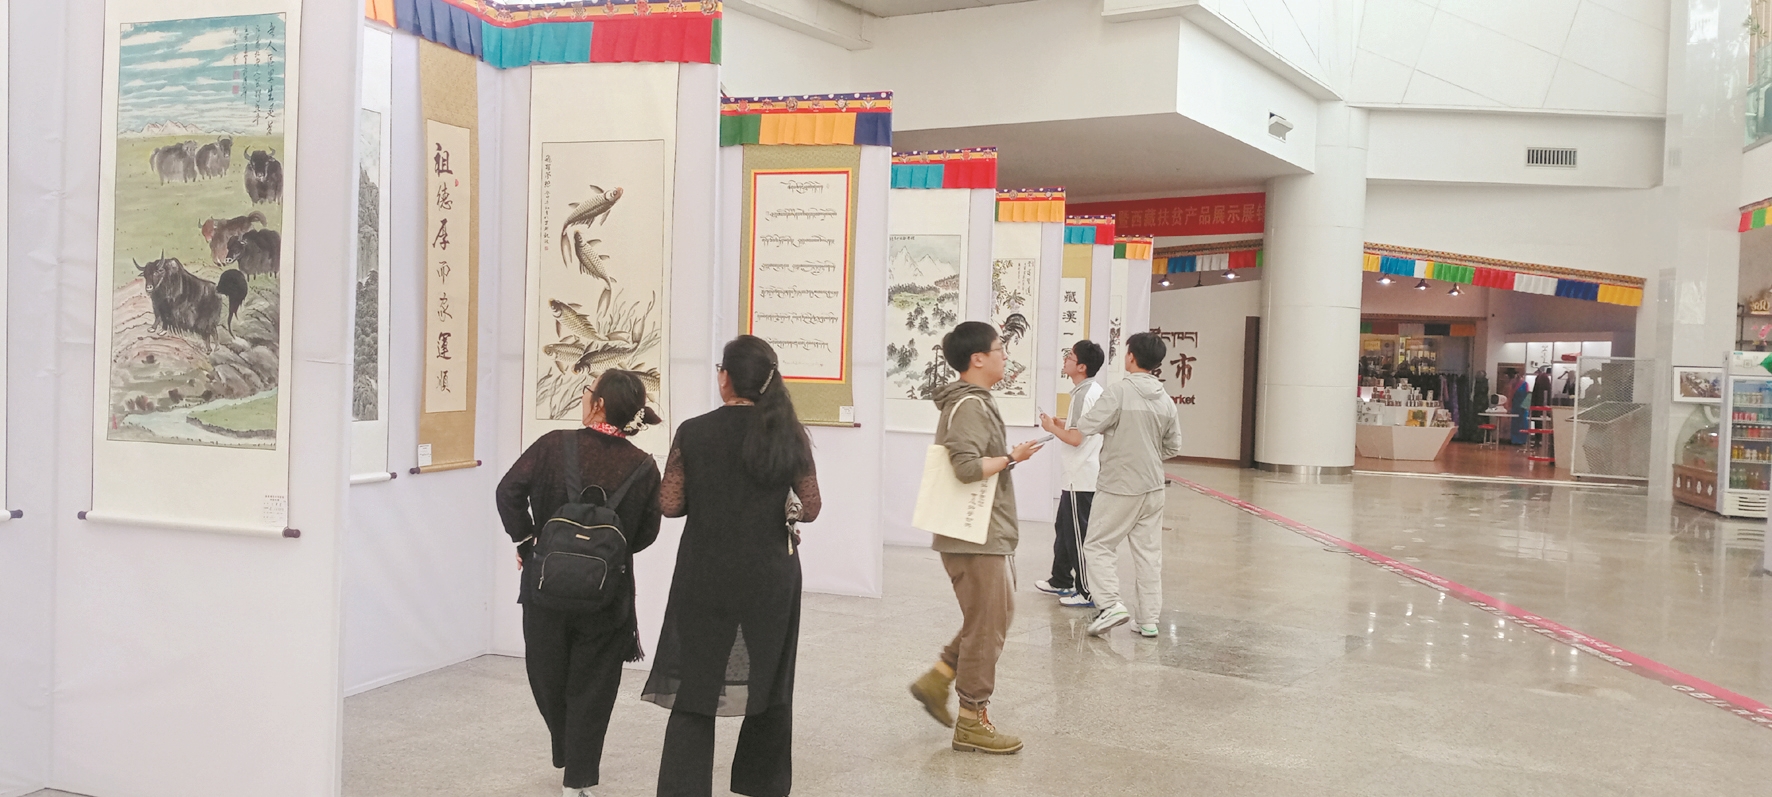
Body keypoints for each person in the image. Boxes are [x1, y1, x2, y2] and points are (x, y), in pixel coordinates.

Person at [644, 336, 822, 797]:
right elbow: (811, 506)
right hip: (770, 574)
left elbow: (670, 504)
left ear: (726, 378)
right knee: (771, 678)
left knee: (695, 682)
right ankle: (761, 784)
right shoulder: (787, 434)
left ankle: (683, 789)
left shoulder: (694, 431)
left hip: (705, 572)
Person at [496, 369, 665, 797]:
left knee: (546, 676)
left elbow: (508, 490)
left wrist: (527, 540)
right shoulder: (644, 466)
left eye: (589, 391)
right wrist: (604, 552)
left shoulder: (554, 444)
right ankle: (579, 776)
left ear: (600, 404)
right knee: (594, 686)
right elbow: (646, 534)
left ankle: (567, 748)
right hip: (608, 594)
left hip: (546, 586)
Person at [908, 321, 1043, 755]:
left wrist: (1009, 458)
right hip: (974, 536)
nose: (1005, 355)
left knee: (993, 618)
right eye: (1000, 348)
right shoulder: (969, 405)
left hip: (980, 533)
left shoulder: (973, 401)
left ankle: (940, 677)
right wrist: (1011, 458)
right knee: (988, 625)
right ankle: (972, 720)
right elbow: (966, 468)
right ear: (978, 358)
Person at [1076, 332, 1184, 639]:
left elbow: (1087, 425)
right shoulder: (1166, 400)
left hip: (1119, 484)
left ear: (1132, 357)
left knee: (1098, 544)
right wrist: (1147, 452)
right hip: (1153, 486)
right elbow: (1173, 446)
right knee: (1149, 554)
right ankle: (1148, 620)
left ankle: (1110, 605)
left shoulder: (1119, 392)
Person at [1035, 340, 1106, 608]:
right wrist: (1060, 423)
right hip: (1079, 475)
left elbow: (1075, 439)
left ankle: (1087, 591)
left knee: (1078, 535)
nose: (1066, 360)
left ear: (1082, 366)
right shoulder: (1092, 391)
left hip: (1082, 476)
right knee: (1064, 528)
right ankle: (1061, 579)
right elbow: (1083, 427)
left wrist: (1052, 428)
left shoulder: (1082, 394)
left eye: (1071, 357)